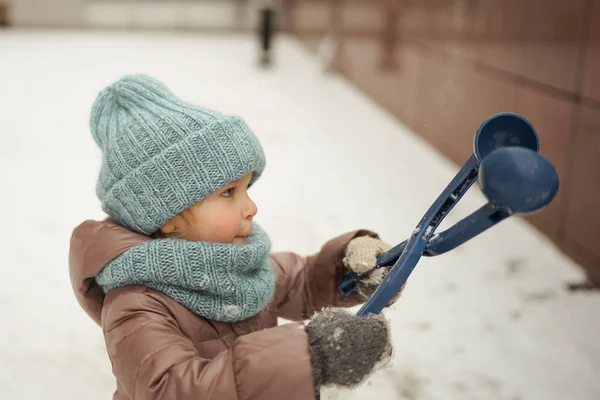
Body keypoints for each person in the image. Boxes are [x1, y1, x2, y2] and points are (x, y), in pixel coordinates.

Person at [69, 74, 403, 400]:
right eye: (229, 192)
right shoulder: (135, 306)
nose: (252, 207)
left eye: (246, 188)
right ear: (168, 217)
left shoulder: (238, 264)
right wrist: (310, 356)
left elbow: (300, 281)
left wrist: (349, 269)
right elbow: (175, 388)